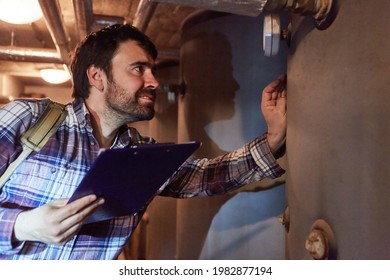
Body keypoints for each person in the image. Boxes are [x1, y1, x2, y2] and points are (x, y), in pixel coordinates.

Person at [0, 24, 287, 260]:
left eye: (153, 71)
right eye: (138, 69)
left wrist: (273, 140)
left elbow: (205, 177)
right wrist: (22, 226)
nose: (154, 81)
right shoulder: (29, 119)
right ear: (97, 77)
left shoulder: (143, 156)